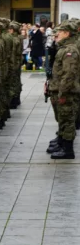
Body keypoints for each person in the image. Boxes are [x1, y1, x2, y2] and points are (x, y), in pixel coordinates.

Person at [48, 21, 80, 159]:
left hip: (67, 92)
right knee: (62, 118)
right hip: (58, 89)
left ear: (67, 33)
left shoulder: (70, 51)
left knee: (67, 120)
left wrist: (63, 93)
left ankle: (67, 150)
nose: (57, 35)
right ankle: (61, 143)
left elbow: (69, 75)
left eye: (60, 32)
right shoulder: (65, 48)